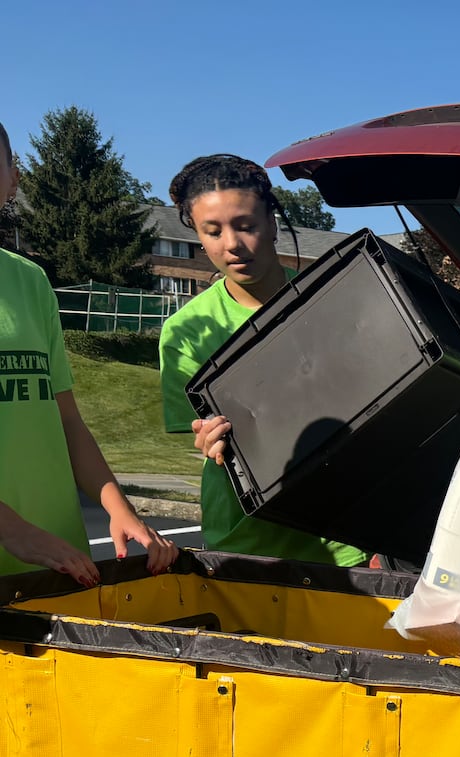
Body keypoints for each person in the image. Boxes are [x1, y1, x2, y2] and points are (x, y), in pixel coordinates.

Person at [159, 154, 365, 566]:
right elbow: (203, 437)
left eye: (246, 226)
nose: (232, 244)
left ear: (272, 222)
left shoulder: (332, 299)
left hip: (342, 540)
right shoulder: (185, 331)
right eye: (212, 232)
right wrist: (208, 440)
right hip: (243, 542)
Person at [0, 120, 177, 584]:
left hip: (60, 559)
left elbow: (67, 421)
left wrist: (120, 509)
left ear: (13, 177)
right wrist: (11, 528)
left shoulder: (30, 281)